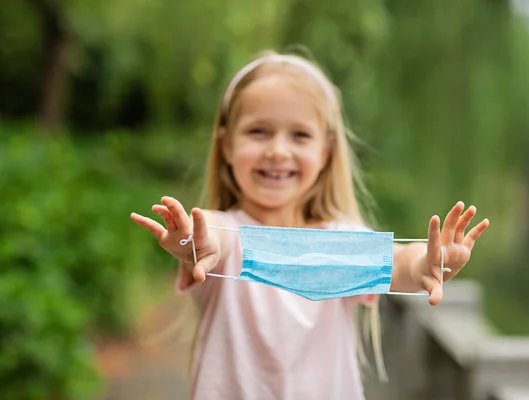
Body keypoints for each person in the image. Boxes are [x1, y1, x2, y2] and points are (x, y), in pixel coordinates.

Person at [130, 50, 489, 400]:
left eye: (299, 135)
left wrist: (429, 261)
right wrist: (194, 242)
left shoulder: (340, 242)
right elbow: (211, 236)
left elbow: (399, 263)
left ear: (326, 152)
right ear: (226, 146)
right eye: (258, 132)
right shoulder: (227, 235)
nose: (277, 151)